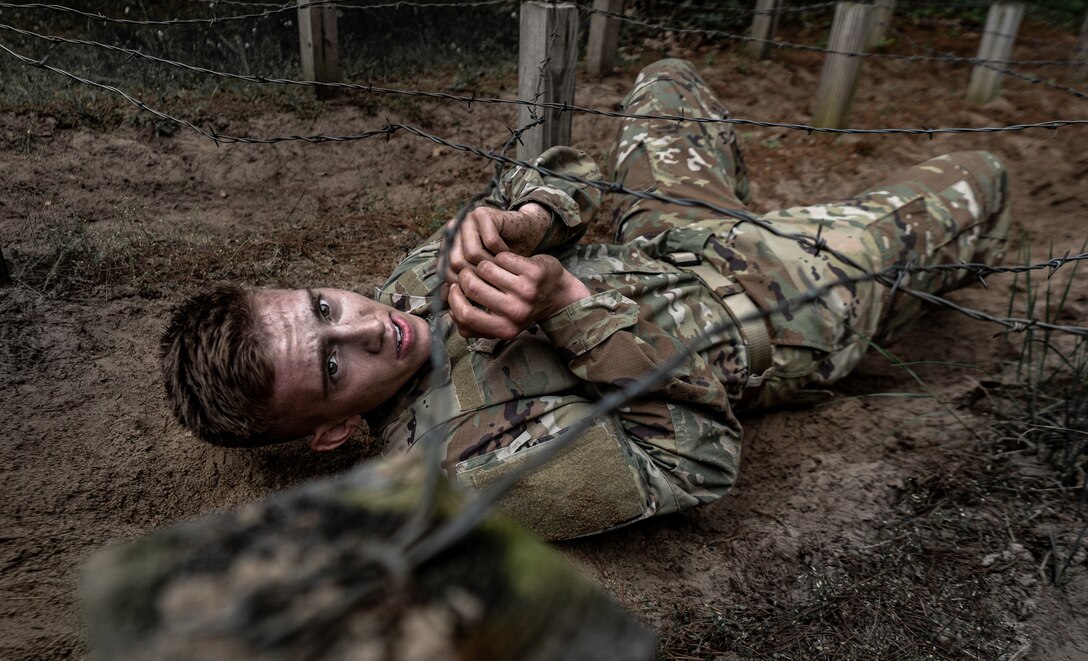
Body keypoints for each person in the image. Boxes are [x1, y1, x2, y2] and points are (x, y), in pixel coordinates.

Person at [160, 59, 1011, 540]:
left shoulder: (404, 291)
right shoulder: (467, 465)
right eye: (333, 363)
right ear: (335, 430)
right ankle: (901, 280)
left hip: (662, 238)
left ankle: (816, 233)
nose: (363, 325)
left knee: (666, 81)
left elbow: (575, 176)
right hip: (769, 306)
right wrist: (566, 302)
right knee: (981, 178)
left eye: (319, 307)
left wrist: (529, 217)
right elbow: (701, 460)